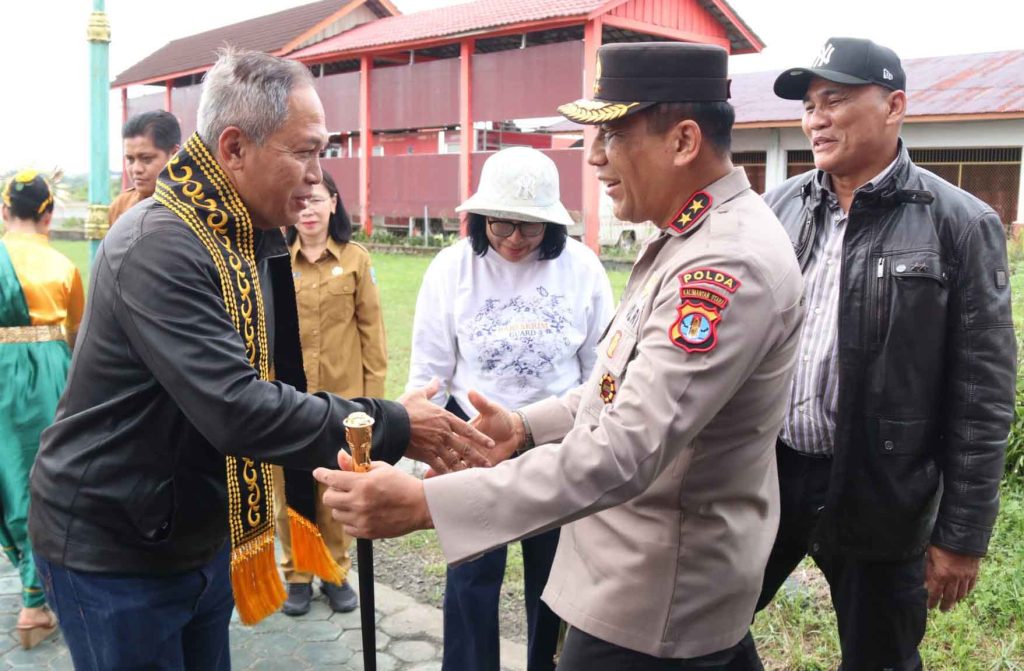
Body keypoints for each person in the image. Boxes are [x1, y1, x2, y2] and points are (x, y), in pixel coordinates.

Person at [317, 42, 804, 670]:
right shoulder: (690, 240)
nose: (594, 157)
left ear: (683, 141)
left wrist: (425, 504)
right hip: (636, 574)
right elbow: (612, 384)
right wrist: (523, 429)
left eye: (612, 135)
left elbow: (623, 450)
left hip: (653, 599)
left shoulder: (723, 264)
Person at [28, 48, 493, 671]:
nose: (316, 174)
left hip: (194, 530)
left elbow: (280, 380)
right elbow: (240, 409)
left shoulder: (247, 236)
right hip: (115, 549)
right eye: (303, 151)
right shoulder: (160, 246)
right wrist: (389, 425)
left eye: (321, 152)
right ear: (234, 148)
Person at [746, 38, 1015, 670]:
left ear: (893, 106)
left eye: (834, 100)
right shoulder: (776, 209)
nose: (815, 119)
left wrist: (962, 535)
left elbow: (982, 393)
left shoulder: (960, 223)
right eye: (810, 105)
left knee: (880, 657)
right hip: (769, 472)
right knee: (706, 625)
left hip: (882, 488)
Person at [407, 146, 614, 671]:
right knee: (472, 576)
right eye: (503, 226)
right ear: (480, 219)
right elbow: (430, 369)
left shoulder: (583, 268)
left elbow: (601, 366)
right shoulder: (452, 268)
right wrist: (414, 440)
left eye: (532, 227)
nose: (516, 240)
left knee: (554, 576)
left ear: (554, 224)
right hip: (473, 440)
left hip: (553, 439)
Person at [274, 171, 385, 616]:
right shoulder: (275, 260)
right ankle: (298, 574)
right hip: (287, 398)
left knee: (337, 490)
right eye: (299, 200)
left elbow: (372, 336)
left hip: (344, 401)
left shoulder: (356, 260)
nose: (308, 209)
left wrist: (372, 404)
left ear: (334, 203)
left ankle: (335, 572)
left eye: (317, 199)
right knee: (291, 488)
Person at [0, 170, 83, 649]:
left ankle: (30, 587)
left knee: (10, 475)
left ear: (4, 211)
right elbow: (77, 329)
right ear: (48, 213)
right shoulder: (61, 266)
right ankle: (36, 599)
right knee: (43, 478)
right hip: (49, 371)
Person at [109, 109, 182, 225]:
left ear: (174, 155)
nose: (136, 169)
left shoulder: (196, 207)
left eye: (146, 159)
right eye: (130, 159)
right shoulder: (121, 205)